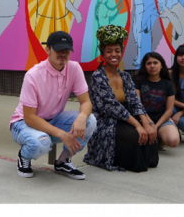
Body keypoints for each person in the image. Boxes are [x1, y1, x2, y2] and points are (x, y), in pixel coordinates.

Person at [10, 31, 96, 180]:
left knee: (90, 121)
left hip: (54, 119)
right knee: (42, 143)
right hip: (24, 123)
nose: (63, 53)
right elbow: (30, 118)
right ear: (48, 50)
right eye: (58, 49)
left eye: (67, 50)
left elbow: (86, 102)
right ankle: (24, 156)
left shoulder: (74, 68)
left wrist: (82, 117)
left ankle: (63, 161)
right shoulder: (33, 75)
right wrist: (62, 134)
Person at [84, 25, 158, 173]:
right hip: (105, 122)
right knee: (136, 135)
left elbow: (135, 101)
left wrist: (146, 122)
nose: (114, 54)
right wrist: (137, 125)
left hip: (125, 119)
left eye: (117, 51)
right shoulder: (98, 77)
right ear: (103, 54)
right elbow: (113, 108)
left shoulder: (125, 76)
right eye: (109, 51)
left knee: (150, 133)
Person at [134, 52, 180, 151]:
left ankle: (159, 136)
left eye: (155, 63)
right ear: (144, 66)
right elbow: (138, 105)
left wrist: (156, 126)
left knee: (173, 141)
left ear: (161, 65)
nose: (152, 66)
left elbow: (169, 110)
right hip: (143, 119)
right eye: (149, 63)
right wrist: (149, 123)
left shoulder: (167, 84)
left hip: (161, 119)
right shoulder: (138, 81)